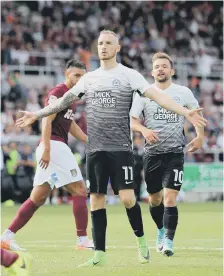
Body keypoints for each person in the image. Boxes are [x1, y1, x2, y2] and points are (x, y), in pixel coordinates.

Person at [15, 30, 207, 267]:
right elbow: (62, 102)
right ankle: (99, 255)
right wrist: (36, 114)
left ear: (117, 48)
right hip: (95, 150)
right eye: (100, 43)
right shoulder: (89, 78)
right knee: (96, 201)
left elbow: (158, 97)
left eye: (108, 43)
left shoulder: (129, 75)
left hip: (120, 149)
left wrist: (185, 111)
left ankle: (141, 242)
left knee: (127, 199)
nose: (103, 47)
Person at [1, 59, 93, 251]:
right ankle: (82, 240)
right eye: (76, 75)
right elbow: (46, 120)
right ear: (67, 75)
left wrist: (89, 140)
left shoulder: (72, 97)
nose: (80, 79)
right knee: (80, 191)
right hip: (55, 146)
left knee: (38, 198)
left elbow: (71, 125)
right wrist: (48, 150)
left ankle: (7, 237)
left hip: (52, 146)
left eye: (83, 76)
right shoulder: (58, 92)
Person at [131, 52, 204, 257]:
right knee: (155, 199)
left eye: (164, 66)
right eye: (157, 67)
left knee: (170, 198)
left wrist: (199, 137)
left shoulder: (183, 92)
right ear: (152, 72)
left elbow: (196, 115)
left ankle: (169, 242)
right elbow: (133, 120)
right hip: (152, 154)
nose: (160, 69)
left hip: (174, 153)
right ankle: (161, 231)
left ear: (172, 71)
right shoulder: (144, 94)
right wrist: (144, 130)